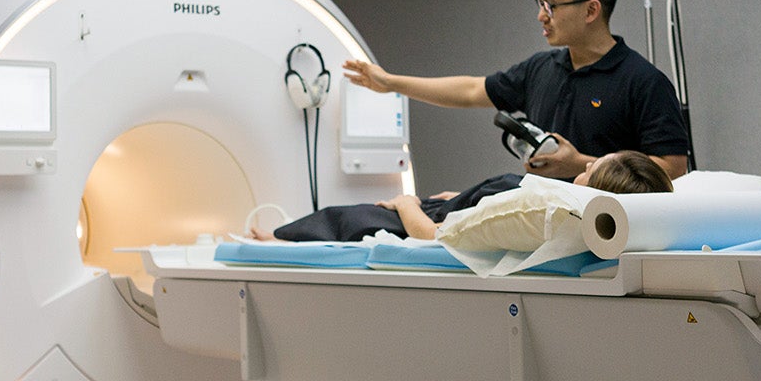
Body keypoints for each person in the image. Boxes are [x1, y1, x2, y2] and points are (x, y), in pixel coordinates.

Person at [342, 0, 690, 182]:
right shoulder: (541, 69)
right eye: (540, 2)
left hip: (603, 230)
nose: (541, 16)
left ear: (591, 10)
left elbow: (673, 170)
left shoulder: (643, 82)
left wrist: (581, 164)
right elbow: (469, 91)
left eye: (551, 6)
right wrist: (390, 83)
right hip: (541, 218)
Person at [258, 151, 672, 242]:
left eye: (589, 171)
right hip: (448, 203)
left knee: (348, 218)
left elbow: (434, 238)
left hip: (409, 221)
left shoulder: (553, 209)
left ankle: (269, 244)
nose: (582, 166)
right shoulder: (552, 200)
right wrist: (467, 196)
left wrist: (407, 204)